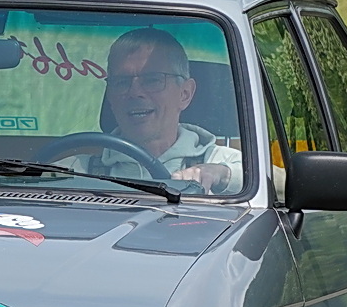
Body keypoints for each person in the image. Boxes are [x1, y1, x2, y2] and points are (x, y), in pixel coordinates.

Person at [83, 27, 242, 191]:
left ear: (185, 94)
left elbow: (268, 179)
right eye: (122, 82)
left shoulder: (218, 160)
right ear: (110, 96)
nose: (135, 92)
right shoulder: (82, 170)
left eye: (152, 80)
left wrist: (221, 175)